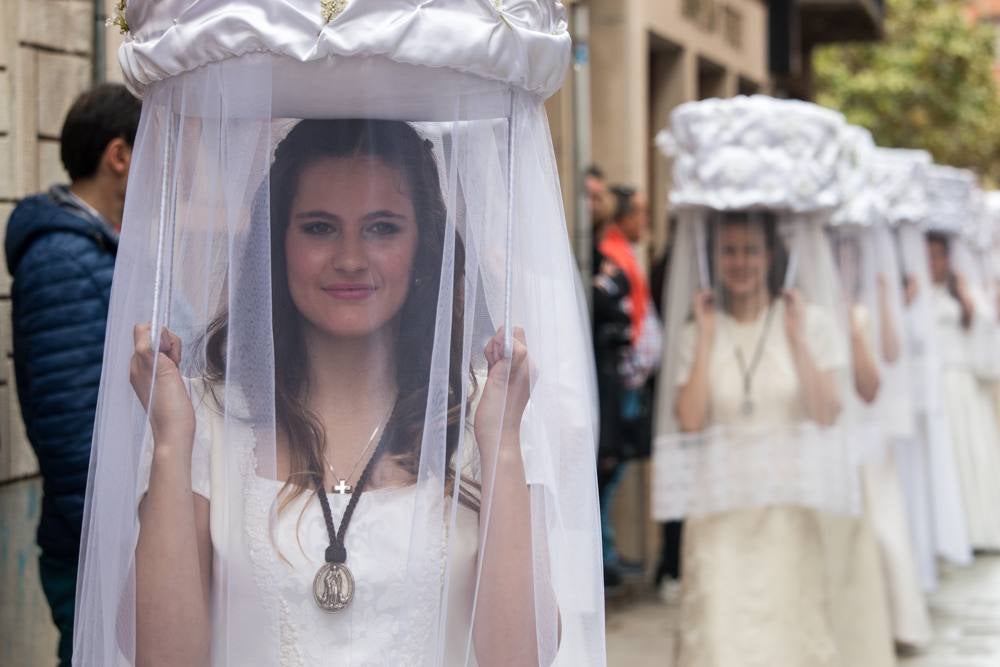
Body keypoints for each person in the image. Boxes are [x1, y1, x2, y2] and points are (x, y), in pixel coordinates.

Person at [4, 83, 140, 667]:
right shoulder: (61, 259)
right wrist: (125, 543)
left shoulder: (104, 248)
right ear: (119, 156)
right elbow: (71, 431)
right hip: (99, 546)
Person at [597, 184, 661, 586]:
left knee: (617, 467)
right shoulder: (613, 255)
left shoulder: (625, 253)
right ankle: (604, 553)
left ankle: (609, 549)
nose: (645, 222)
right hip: (620, 379)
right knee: (609, 467)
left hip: (630, 377)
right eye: (639, 213)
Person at [927, 230, 1000, 549]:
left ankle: (983, 528)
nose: (933, 263)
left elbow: (985, 338)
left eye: (938, 255)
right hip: (936, 386)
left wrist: (973, 304)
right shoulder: (917, 294)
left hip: (964, 385)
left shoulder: (962, 292)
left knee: (975, 453)